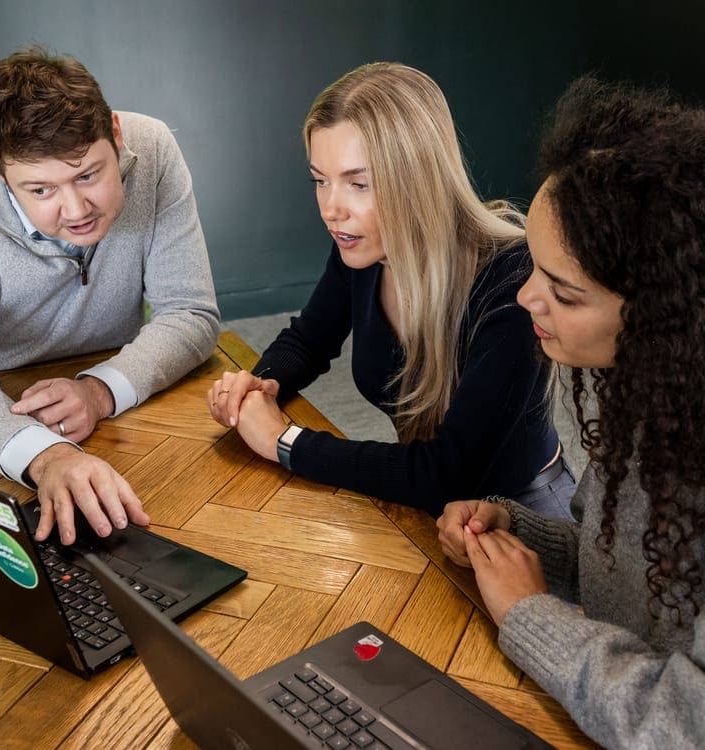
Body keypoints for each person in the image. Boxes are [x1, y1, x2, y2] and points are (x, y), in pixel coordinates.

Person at [437, 77, 705, 748]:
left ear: (665, 318)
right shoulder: (659, 396)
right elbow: (640, 573)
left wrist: (530, 614)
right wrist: (521, 537)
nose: (526, 297)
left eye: (564, 292)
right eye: (535, 269)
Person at [208, 62, 573, 519]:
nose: (331, 208)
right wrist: (258, 386)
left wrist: (285, 441)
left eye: (359, 184)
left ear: (417, 180)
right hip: (425, 503)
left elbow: (448, 473)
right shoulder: (360, 248)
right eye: (320, 180)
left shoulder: (512, 282)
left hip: (524, 513)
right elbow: (309, 340)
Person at [0, 47, 219, 545]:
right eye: (41, 190)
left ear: (116, 135)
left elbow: (190, 311)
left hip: (126, 386)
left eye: (88, 174)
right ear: (0, 175)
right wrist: (47, 456)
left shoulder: (152, 147)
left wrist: (100, 390)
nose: (76, 208)